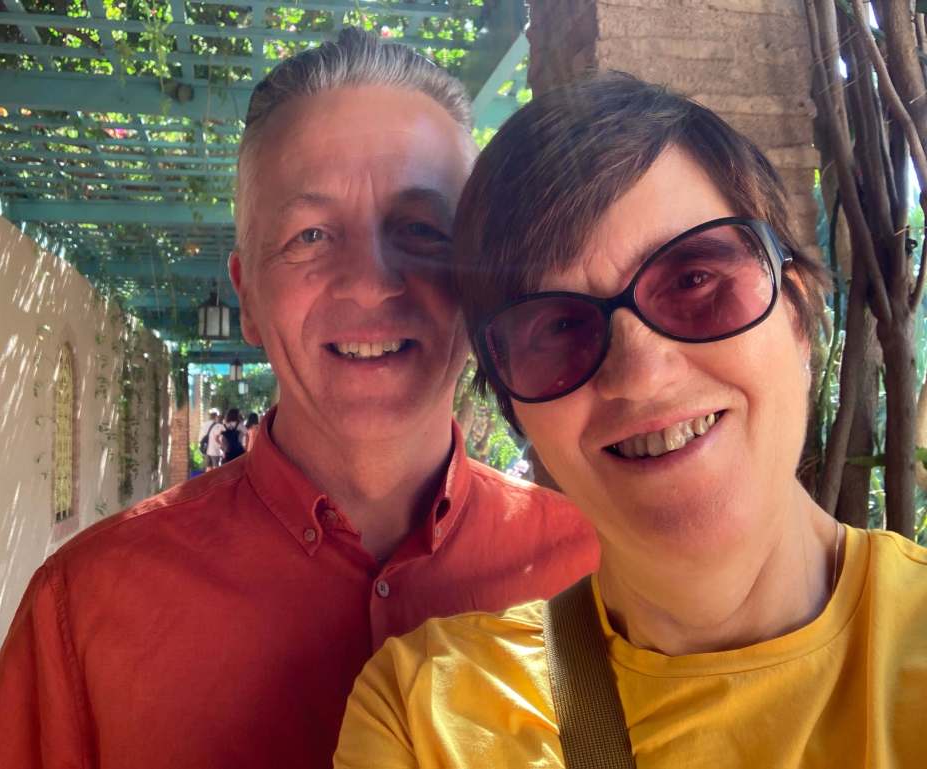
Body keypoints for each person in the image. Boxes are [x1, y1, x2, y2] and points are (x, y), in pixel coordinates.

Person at [0, 29, 600, 769]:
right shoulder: (85, 606)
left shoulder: (604, 571)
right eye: (311, 235)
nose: (370, 283)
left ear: (477, 281)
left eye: (422, 230)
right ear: (247, 297)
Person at [335, 73, 927, 768]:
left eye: (694, 281)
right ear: (516, 409)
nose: (641, 375)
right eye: (558, 327)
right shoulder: (432, 714)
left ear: (796, 311)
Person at [198, 406, 224, 471]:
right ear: (216, 416)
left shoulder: (204, 425)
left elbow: (200, 438)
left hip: (206, 450)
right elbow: (221, 439)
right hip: (215, 450)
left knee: (208, 469)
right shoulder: (219, 426)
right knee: (216, 470)